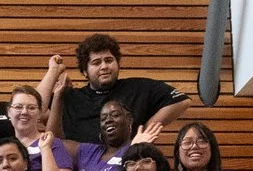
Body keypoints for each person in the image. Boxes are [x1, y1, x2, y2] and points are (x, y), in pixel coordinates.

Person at [55, 33, 186, 146]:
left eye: (109, 60)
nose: (104, 66)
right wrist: (53, 72)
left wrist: (145, 132)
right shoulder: (73, 98)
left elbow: (182, 101)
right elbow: (39, 107)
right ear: (85, 71)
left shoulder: (138, 88)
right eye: (96, 63)